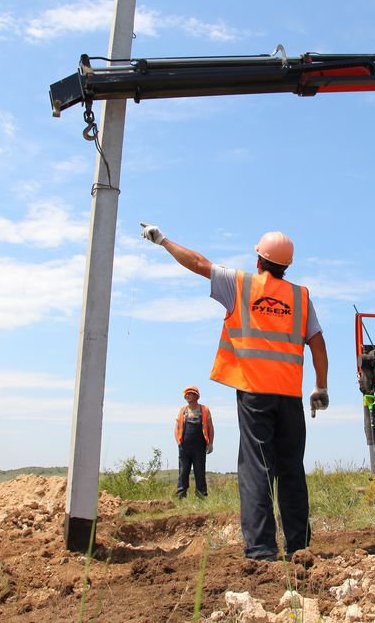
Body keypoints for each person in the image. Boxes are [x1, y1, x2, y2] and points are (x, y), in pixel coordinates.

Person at [140, 223, 329, 561]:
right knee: (291, 468)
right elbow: (317, 343)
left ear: (259, 260)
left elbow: (198, 263)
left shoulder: (241, 285)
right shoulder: (301, 297)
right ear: (286, 266)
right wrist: (321, 387)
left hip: (255, 392)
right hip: (289, 396)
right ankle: (299, 546)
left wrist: (163, 240)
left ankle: (261, 549)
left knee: (257, 467)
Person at [174, 385, 214, 499]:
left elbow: (210, 427)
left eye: (190, 393)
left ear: (196, 396)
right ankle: (181, 495)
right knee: (183, 471)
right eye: (186, 394)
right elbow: (176, 428)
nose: (187, 395)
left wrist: (210, 443)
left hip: (199, 447)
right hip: (184, 446)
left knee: (199, 471)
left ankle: (201, 495)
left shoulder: (204, 410)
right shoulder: (182, 411)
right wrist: (179, 443)